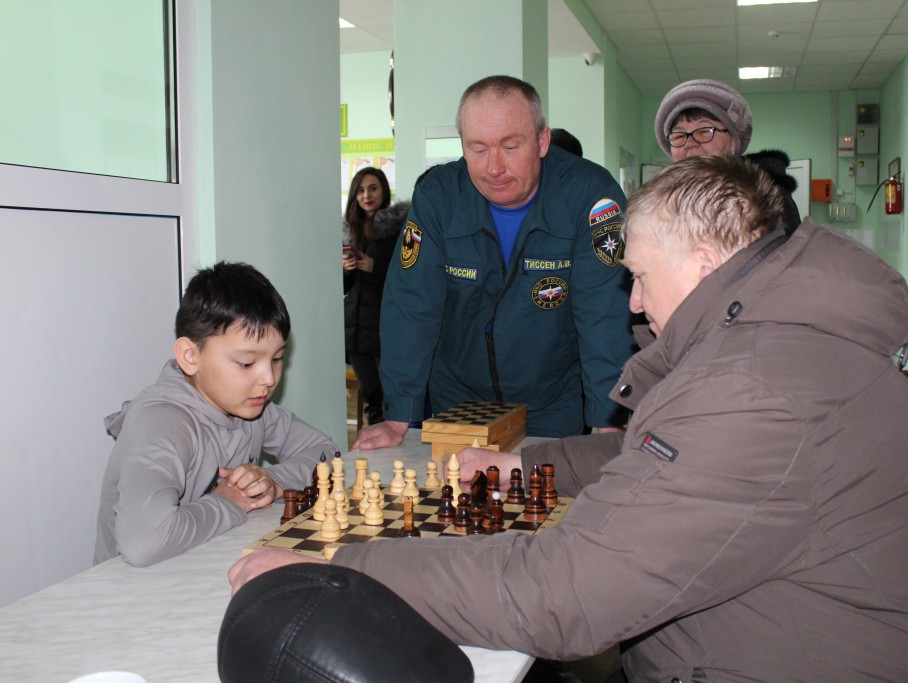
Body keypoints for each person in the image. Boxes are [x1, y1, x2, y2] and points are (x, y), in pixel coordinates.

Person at [229, 156, 908, 682]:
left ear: (705, 264)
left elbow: (564, 594)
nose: (634, 302)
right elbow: (661, 456)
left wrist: (340, 568)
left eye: (640, 275)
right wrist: (530, 466)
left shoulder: (756, 387)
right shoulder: (775, 347)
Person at [351, 75, 634, 450]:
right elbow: (411, 305)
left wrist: (610, 422)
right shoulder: (438, 196)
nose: (494, 167)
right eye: (478, 149)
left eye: (510, 146)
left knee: (544, 487)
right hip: (458, 396)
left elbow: (605, 314)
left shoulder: (590, 195)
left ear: (542, 141)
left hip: (552, 397)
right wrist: (397, 416)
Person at [95, 262, 338, 567]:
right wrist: (229, 501)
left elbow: (327, 452)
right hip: (136, 589)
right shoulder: (163, 423)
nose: (268, 379)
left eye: (277, 359)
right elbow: (143, 543)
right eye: (247, 363)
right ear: (190, 357)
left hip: (201, 567)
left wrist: (272, 481)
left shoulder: (251, 409)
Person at [654, 78, 803, 234]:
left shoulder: (764, 201)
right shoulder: (661, 202)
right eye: (679, 136)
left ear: (734, 143)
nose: (689, 143)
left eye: (704, 131)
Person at [343, 167, 410, 425]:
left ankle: (396, 445)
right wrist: (346, 269)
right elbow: (343, 287)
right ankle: (376, 445)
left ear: (384, 190)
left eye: (373, 188)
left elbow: (408, 277)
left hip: (386, 326)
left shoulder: (400, 229)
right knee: (370, 396)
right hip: (356, 328)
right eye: (360, 190)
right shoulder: (349, 231)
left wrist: (375, 267)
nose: (366, 195)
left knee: (391, 397)